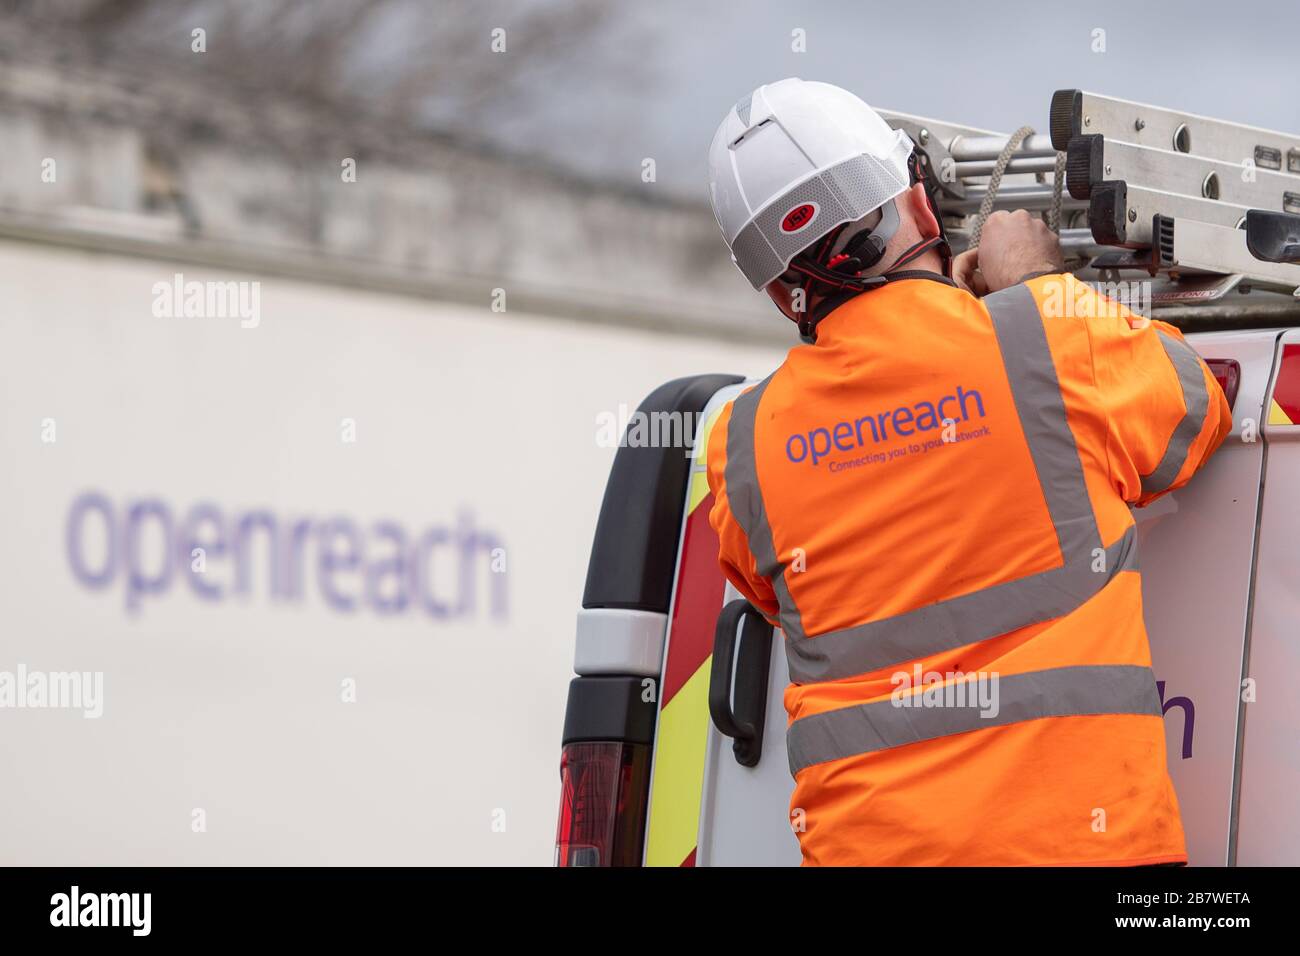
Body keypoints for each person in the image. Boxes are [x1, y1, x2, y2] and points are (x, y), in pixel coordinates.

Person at [703, 78, 1232, 866]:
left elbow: (792, 600)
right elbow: (1194, 405)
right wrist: (1037, 287)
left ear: (785, 296)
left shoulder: (742, 444)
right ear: (920, 211)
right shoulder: (1047, 343)